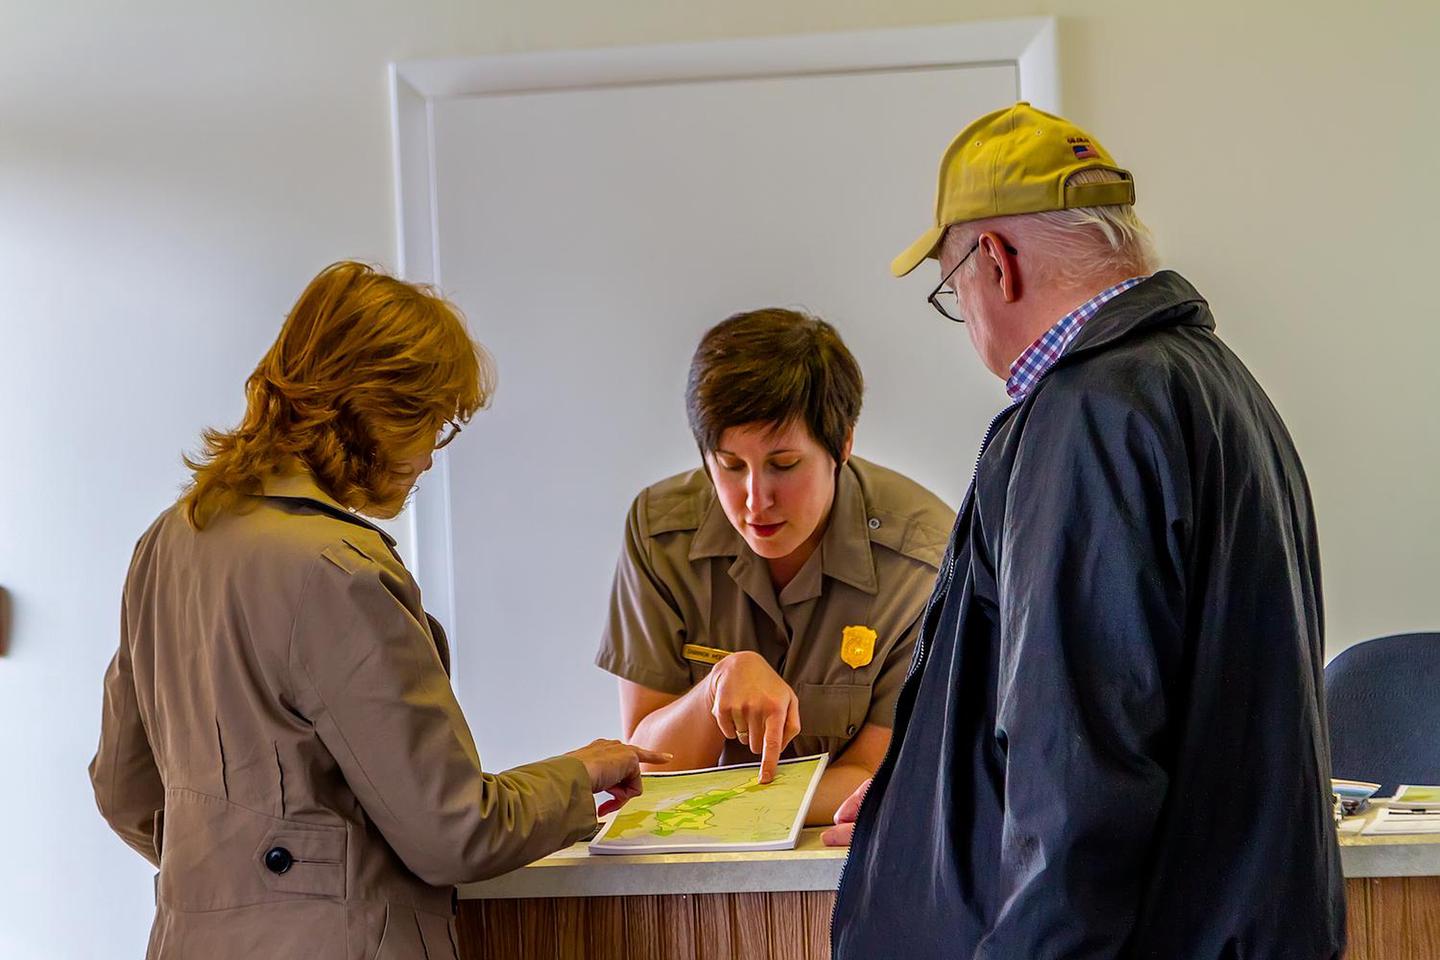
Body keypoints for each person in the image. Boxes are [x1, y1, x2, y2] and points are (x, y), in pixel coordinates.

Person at [830, 103, 1346, 958]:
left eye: (949, 288)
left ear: (993, 260)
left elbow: (1079, 762)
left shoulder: (1088, 416)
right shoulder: (1212, 385)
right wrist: (927, 800)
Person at [89, 261, 665, 960]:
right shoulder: (338, 568)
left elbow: (123, 790)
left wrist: (246, 873)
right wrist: (583, 772)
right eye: (433, 422)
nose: (428, 457)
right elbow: (454, 833)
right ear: (376, 407)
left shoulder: (169, 540)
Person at [595, 308, 954, 829]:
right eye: (730, 465)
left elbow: (875, 774)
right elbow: (646, 763)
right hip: (690, 869)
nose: (754, 500)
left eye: (784, 465)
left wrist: (726, 805)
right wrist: (714, 690)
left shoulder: (924, 559)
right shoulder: (659, 533)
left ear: (843, 444)